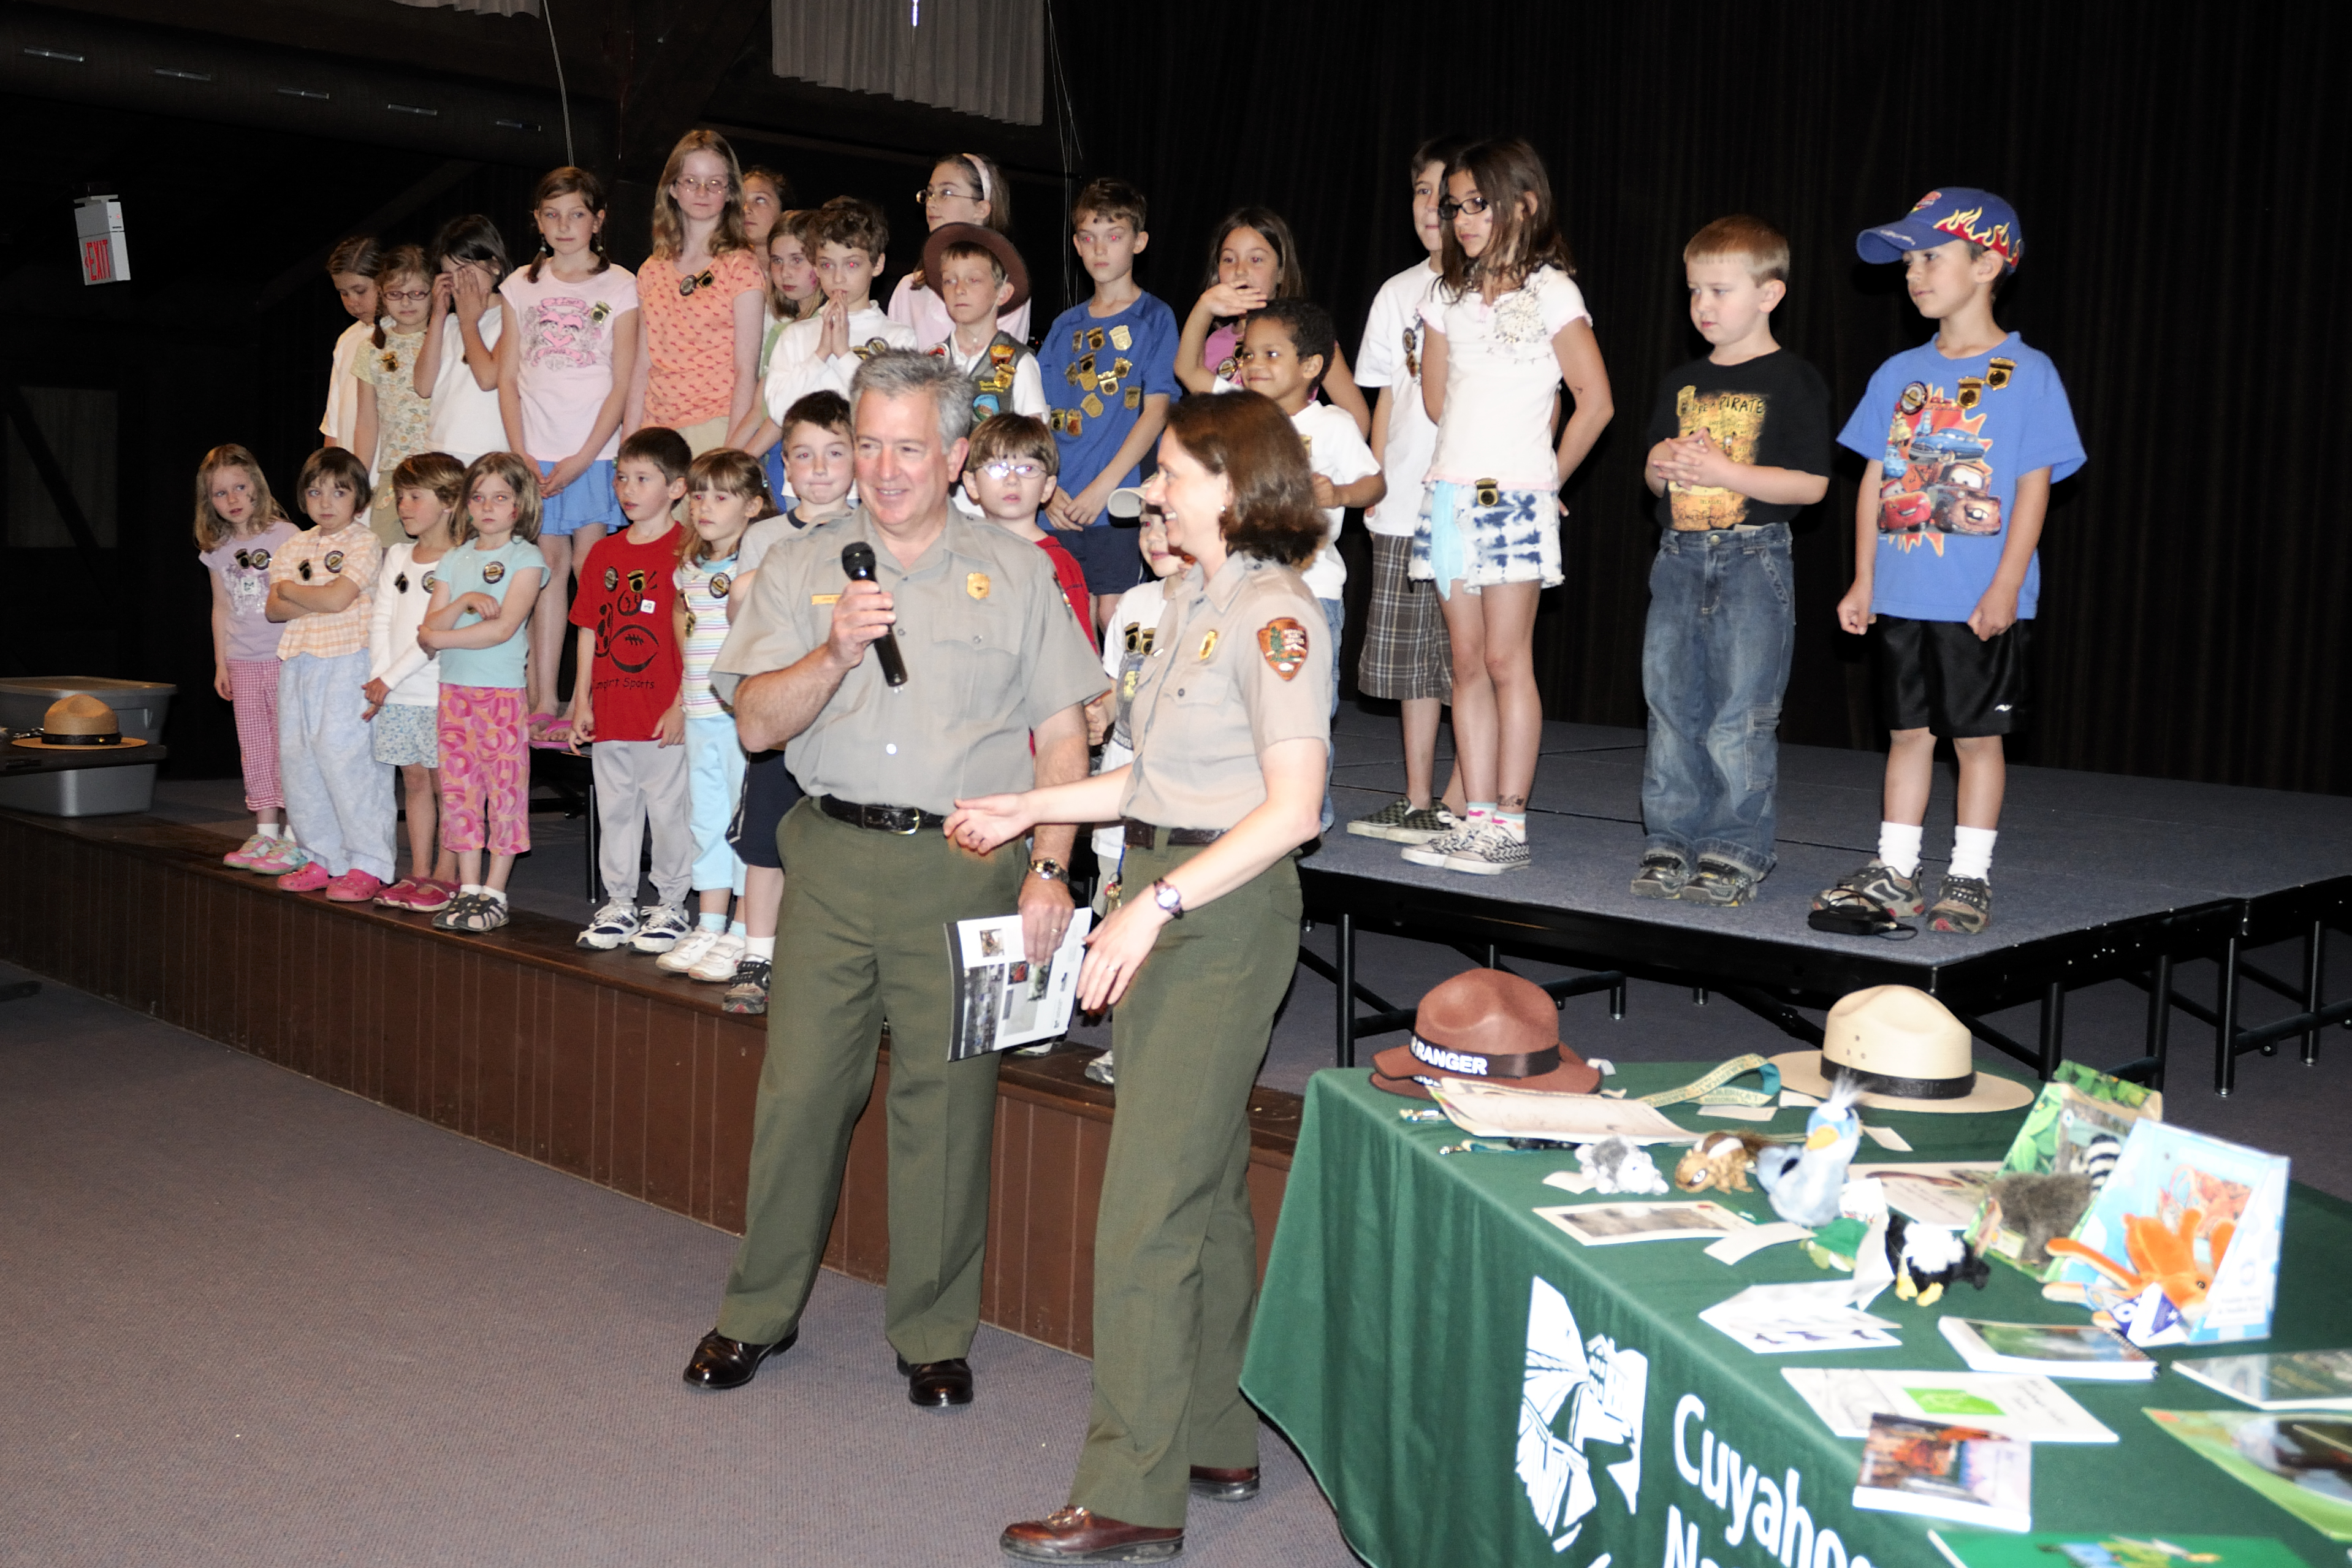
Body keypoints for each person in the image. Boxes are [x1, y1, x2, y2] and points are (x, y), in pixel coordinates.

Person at [946, 390, 1332, 1563]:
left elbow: (1293, 810)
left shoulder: (1274, 614)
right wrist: (1027, 804)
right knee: (1200, 1189)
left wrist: (1155, 907)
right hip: (1171, 892)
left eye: (1170, 472)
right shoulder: (1192, 604)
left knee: (1145, 1210)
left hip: (1217, 914)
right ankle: (1212, 1433)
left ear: (1234, 484)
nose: (1151, 491)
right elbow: (1150, 782)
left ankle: (1130, 1491)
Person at [683, 350, 1102, 1414]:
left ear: (956, 455)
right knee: (799, 1096)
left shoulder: (1016, 572)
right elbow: (756, 724)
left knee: (947, 1105)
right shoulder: (800, 564)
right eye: (867, 443)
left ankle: (932, 1331)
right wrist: (831, 652)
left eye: (908, 446)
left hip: (964, 864)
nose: (883, 467)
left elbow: (1065, 734)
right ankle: (757, 1311)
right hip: (829, 858)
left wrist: (1051, 868)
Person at [1816, 188, 2084, 935]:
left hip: (1975, 598)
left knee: (1976, 738)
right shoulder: (1898, 373)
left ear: (1988, 264)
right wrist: (1865, 576)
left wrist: (2006, 586)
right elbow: (1876, 478)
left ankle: (1968, 875)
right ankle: (1896, 870)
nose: (1913, 273)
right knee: (1907, 733)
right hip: (1904, 590)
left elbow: (2034, 487)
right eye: (1908, 261)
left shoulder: (2028, 372)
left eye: (1930, 257)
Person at [1403, 136, 1613, 875]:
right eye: (1455, 207)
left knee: (1504, 658)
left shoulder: (1552, 291)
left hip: (1514, 496)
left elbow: (1595, 401)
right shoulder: (1444, 296)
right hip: (1449, 493)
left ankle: (1510, 823)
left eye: (1478, 204)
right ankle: (1477, 816)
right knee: (1465, 662)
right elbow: (1437, 401)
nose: (1463, 219)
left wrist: (1546, 480)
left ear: (1523, 204)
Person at [1633, 215, 1831, 907]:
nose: (1703, 306)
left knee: (1740, 714)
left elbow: (1811, 485)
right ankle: (1670, 835)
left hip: (1753, 557)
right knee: (1669, 706)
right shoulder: (1683, 381)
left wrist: (1726, 471)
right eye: (1694, 291)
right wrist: (1659, 464)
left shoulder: (1794, 379)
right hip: (1679, 557)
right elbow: (1654, 482)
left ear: (1768, 295)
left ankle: (1735, 842)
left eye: (1720, 291)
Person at [1347, 136, 1469, 846]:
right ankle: (1419, 796)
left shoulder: (1493, 289)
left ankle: (1463, 795)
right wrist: (1376, 474)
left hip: (1465, 495)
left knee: (1468, 656)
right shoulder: (1398, 291)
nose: (1432, 208)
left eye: (1447, 197)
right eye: (1422, 193)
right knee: (1414, 662)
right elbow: (1387, 395)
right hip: (1402, 500)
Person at [720, 390, 856, 1015]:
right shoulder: (765, 537)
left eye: (835, 452)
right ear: (785, 468)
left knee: (840, 842)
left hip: (847, 714)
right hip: (779, 712)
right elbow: (742, 619)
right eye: (804, 455)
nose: (820, 468)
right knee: (765, 840)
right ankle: (757, 953)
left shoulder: (872, 532)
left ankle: (837, 963)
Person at [498, 166, 641, 740]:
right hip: (535, 453)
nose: (564, 226)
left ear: (597, 221)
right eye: (552, 215)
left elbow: (623, 379)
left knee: (592, 566)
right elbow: (507, 378)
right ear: (537, 220)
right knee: (547, 570)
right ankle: (545, 698)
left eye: (577, 214)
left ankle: (594, 693)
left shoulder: (621, 285)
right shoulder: (519, 285)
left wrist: (586, 457)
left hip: (594, 453)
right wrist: (520, 455)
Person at [1066, 502, 1186, 1086]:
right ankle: (1126, 1036)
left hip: (1176, 794)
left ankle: (1157, 1039)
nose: (1154, 537)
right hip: (1120, 785)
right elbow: (1118, 685)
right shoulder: (1135, 604)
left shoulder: (1218, 608)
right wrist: (1102, 714)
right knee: (1114, 908)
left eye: (1167, 522)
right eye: (1144, 525)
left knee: (1161, 921)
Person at [568, 427, 695, 954]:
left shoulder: (687, 550)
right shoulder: (603, 552)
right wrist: (581, 699)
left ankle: (671, 904)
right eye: (622, 477)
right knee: (616, 811)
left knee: (668, 812)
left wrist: (682, 702)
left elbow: (696, 633)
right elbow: (588, 627)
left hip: (661, 711)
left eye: (643, 479)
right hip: (612, 709)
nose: (628, 489)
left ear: (677, 488)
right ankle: (620, 901)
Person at [1037, 177, 1183, 626]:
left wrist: (1105, 488)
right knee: (1063, 617)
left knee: (1113, 614)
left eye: (1114, 236)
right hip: (1057, 502)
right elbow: (1036, 416)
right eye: (1088, 237)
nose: (1099, 249)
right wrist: (1046, 491)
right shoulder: (1064, 327)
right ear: (1076, 245)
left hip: (1116, 501)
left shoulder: (1155, 318)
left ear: (1139, 242)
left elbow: (1157, 411)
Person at [416, 452, 548, 932]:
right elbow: (428, 626)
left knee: (504, 792)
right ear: (466, 505)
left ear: (519, 505)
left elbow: (503, 628)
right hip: (454, 693)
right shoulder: (455, 559)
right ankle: (469, 888)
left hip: (500, 694)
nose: (488, 507)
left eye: (500, 497)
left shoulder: (526, 558)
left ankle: (495, 893)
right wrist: (467, 601)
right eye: (478, 497)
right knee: (460, 792)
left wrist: (441, 635)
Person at [657, 447, 768, 984]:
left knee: (744, 824)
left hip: (738, 719)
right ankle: (710, 923)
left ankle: (746, 929)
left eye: (721, 497)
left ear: (752, 506)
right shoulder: (690, 566)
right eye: (698, 496)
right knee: (706, 820)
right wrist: (685, 691)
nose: (704, 507)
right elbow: (684, 614)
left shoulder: (756, 567)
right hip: (701, 712)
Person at [264, 447, 393, 900]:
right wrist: (312, 596)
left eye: (339, 492)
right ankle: (322, 855)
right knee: (299, 759)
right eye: (316, 492)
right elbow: (274, 609)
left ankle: (368, 862)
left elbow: (339, 599)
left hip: (348, 659)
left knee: (347, 758)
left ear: (359, 499)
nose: (326, 502)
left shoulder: (364, 541)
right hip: (299, 660)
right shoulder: (293, 545)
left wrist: (294, 590)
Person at [364, 451, 465, 914]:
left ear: (448, 501)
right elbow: (382, 619)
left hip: (440, 691)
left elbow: (433, 636)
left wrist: (388, 678)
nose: (403, 506)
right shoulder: (400, 556)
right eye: (400, 497)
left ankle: (448, 873)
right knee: (415, 782)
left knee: (447, 785)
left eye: (414, 497)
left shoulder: (461, 561)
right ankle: (420, 870)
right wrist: (378, 678)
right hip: (398, 692)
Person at [194, 443, 299, 873]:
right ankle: (266, 831)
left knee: (289, 748)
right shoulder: (217, 547)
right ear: (209, 501)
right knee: (255, 749)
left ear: (257, 485)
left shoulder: (286, 536)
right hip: (242, 661)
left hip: (283, 658)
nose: (233, 500)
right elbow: (221, 607)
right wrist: (222, 663)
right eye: (220, 493)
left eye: (239, 487)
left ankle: (297, 835)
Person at [1173, 206, 1370, 435]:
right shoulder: (1215, 341)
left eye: (1256, 259)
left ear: (1281, 271)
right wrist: (1204, 307)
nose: (1240, 270)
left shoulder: (1306, 335)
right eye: (1229, 259)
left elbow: (1357, 418)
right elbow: (1187, 370)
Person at [630, 129, 764, 455]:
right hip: (655, 430)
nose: (702, 192)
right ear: (673, 188)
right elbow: (642, 365)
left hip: (715, 425)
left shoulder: (740, 267)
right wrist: (628, 445)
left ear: (730, 193)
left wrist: (729, 454)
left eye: (715, 183)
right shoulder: (651, 269)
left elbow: (746, 370)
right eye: (691, 181)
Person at [758, 197, 919, 425]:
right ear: (815, 267)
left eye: (851, 264)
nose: (838, 277)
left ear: (877, 264)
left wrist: (844, 354)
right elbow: (778, 411)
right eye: (827, 264)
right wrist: (821, 354)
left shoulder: (898, 337)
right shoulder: (795, 335)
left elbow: (890, 409)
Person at [887, 152, 1030, 350]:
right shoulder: (909, 289)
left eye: (946, 193)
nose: (931, 203)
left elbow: (999, 361)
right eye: (930, 194)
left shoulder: (1006, 291)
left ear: (981, 209)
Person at [963, 414, 1091, 630]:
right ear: (972, 484)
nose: (1012, 479)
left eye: (1028, 469)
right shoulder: (962, 557)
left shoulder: (1057, 564)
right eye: (997, 468)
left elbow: (1077, 646)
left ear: (1048, 488)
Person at [351, 244, 437, 547]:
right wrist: (358, 480)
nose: (406, 302)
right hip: (396, 471)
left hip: (441, 468)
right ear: (381, 294)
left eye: (417, 293)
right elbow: (366, 422)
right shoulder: (372, 349)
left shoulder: (448, 337)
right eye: (395, 294)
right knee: (388, 550)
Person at [924, 223, 1047, 421]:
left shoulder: (1020, 363)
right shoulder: (931, 362)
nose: (959, 289)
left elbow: (1035, 433)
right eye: (949, 281)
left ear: (1002, 293)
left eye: (973, 280)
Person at [414, 214, 509, 468]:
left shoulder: (512, 315)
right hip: (440, 449)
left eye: (466, 270)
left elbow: (488, 378)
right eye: (450, 274)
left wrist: (469, 322)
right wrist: (438, 315)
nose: (459, 281)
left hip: (489, 453)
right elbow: (423, 386)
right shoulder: (449, 324)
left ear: (495, 265)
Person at [319, 235, 382, 454]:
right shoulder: (347, 339)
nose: (352, 302)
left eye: (360, 291)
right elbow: (333, 424)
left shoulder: (405, 335)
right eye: (343, 293)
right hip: (350, 465)